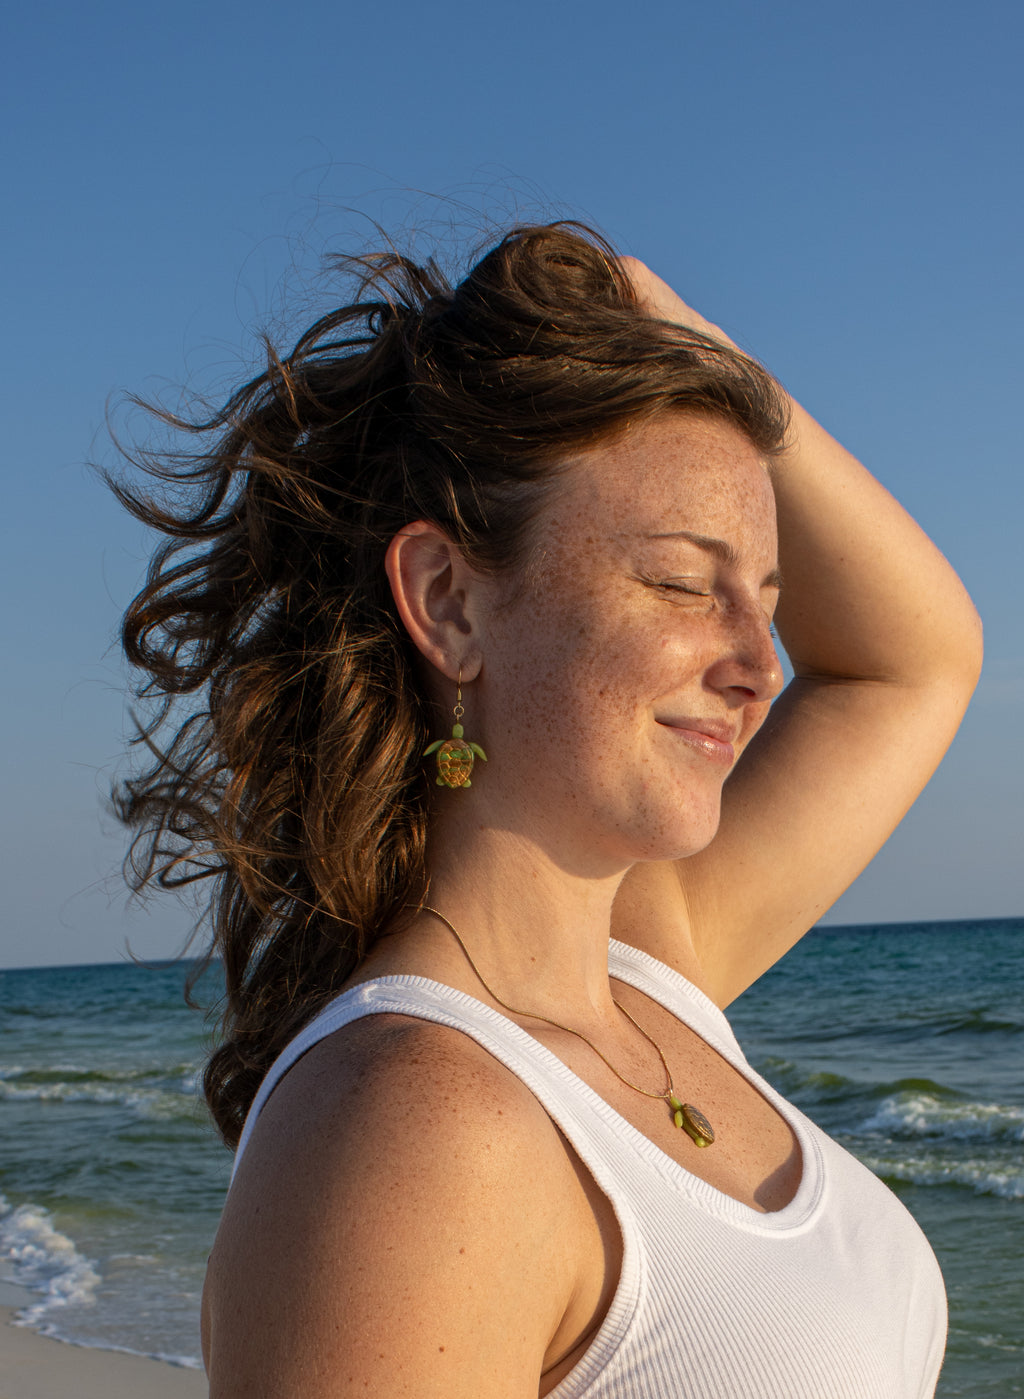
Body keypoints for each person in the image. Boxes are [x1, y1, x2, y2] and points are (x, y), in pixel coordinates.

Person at [114, 222, 982, 1397]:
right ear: (448, 601)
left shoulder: (652, 975)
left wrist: (692, 349)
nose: (758, 665)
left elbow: (916, 656)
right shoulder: (423, 1125)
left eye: (767, 600)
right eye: (682, 582)